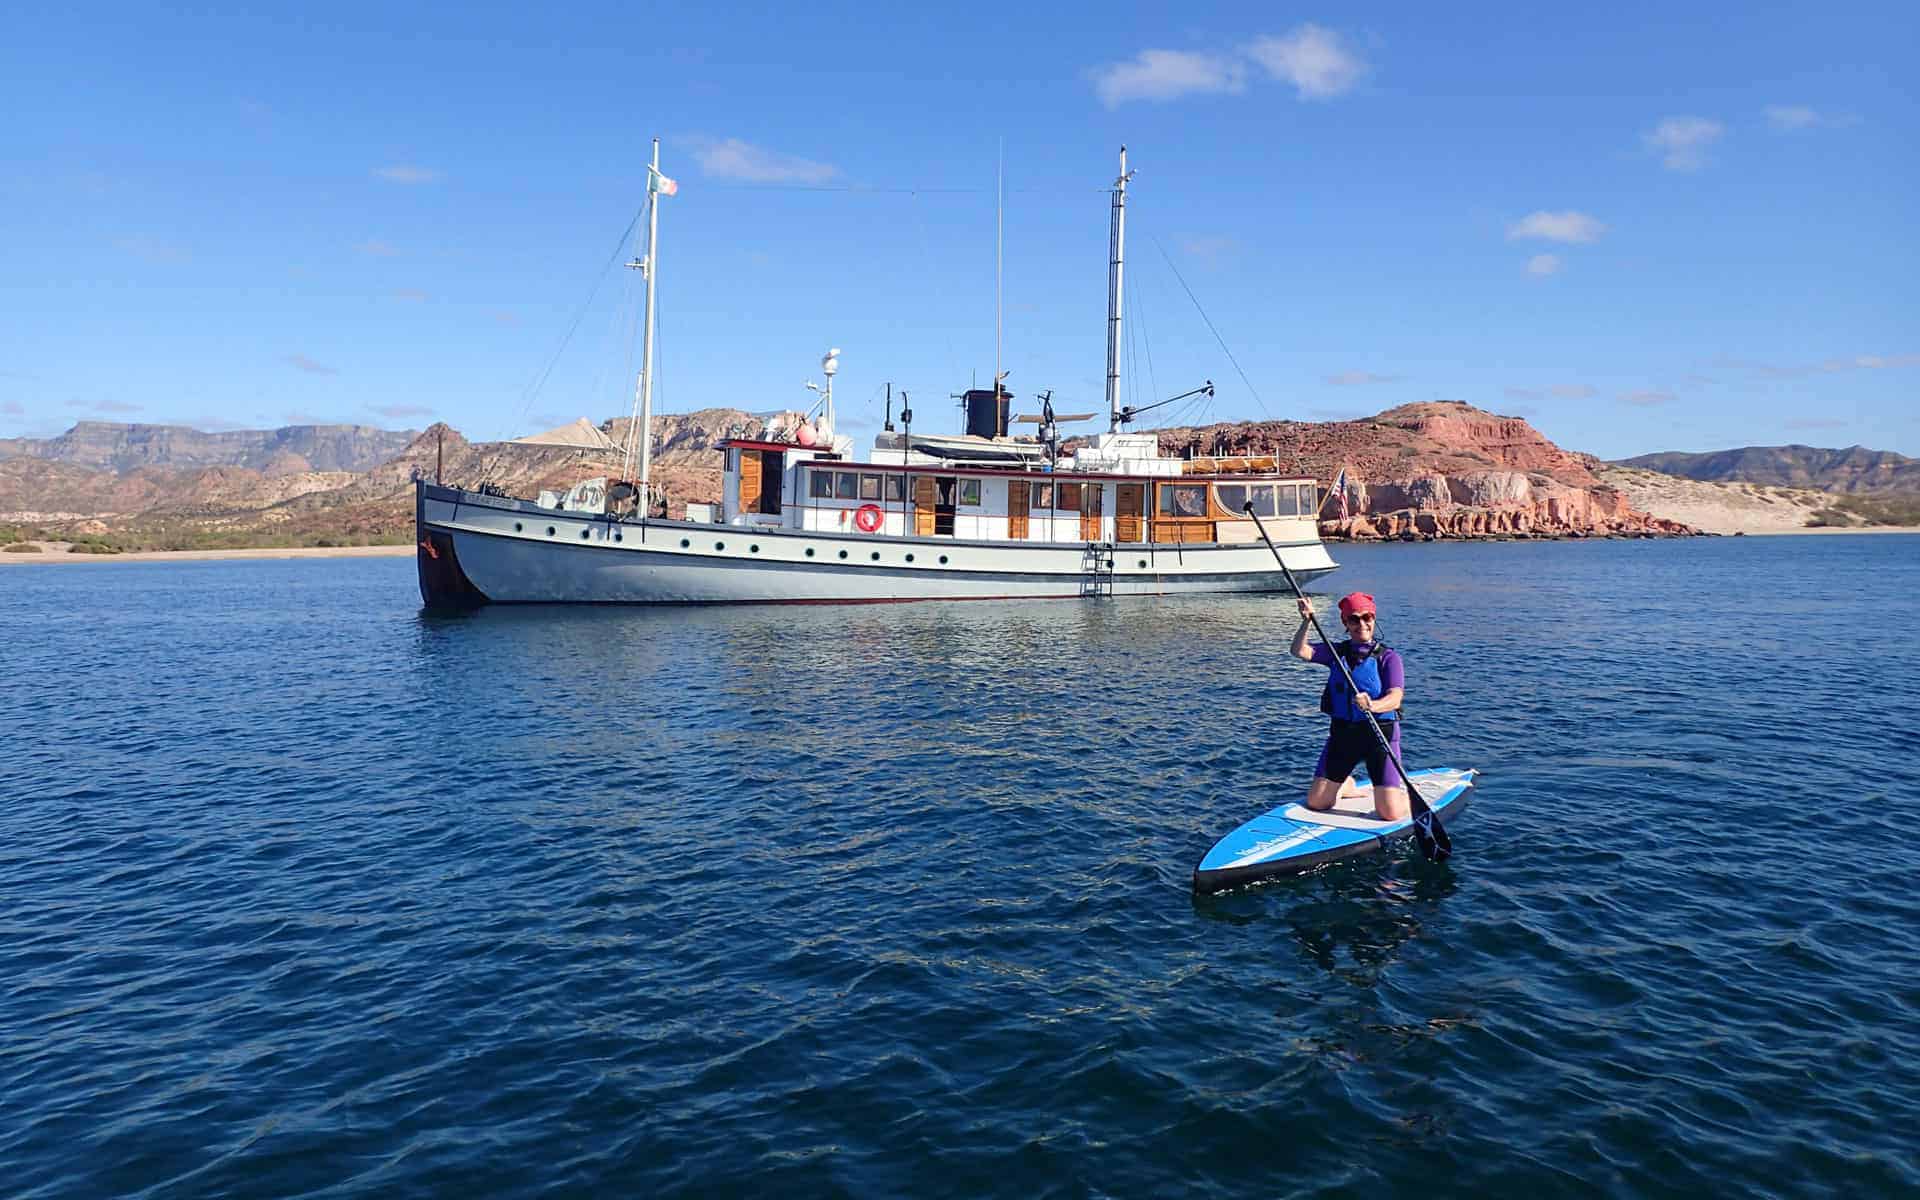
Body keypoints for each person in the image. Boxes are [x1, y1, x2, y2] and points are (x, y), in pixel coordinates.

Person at [1289, 591, 1408, 821]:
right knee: (1316, 802)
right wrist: (1306, 622)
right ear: (1345, 622)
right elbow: (1299, 651)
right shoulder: (1335, 653)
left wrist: (1372, 705)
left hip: (1379, 737)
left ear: (1374, 619)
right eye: (1354, 619)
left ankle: (1403, 796)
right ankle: (1346, 786)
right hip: (1343, 735)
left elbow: (1395, 698)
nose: (1361, 624)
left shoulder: (1389, 658)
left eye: (1367, 617)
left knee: (1390, 814)